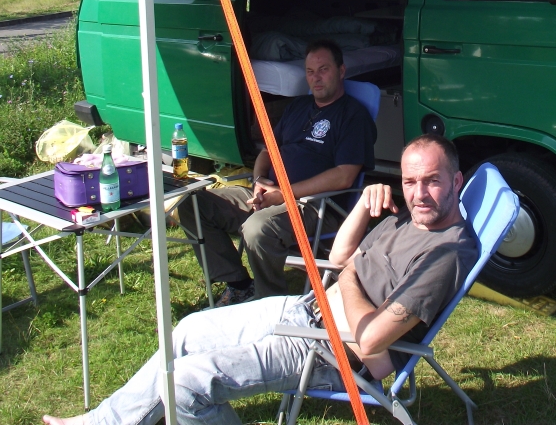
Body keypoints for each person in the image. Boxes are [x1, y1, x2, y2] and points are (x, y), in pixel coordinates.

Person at [42, 134, 478, 425]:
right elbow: (340, 257)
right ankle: (102, 422)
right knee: (187, 331)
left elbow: (370, 339)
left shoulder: (445, 254)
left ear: (457, 180)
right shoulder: (407, 219)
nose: (419, 193)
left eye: (432, 181)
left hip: (330, 353)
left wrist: (347, 280)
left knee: (186, 384)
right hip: (306, 311)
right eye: (409, 181)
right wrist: (364, 205)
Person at [178, 38, 377, 304]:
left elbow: (345, 175)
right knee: (193, 204)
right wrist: (259, 181)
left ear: (341, 71)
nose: (316, 78)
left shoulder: (353, 115)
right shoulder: (297, 107)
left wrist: (283, 194)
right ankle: (238, 284)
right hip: (271, 194)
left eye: (324, 69)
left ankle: (269, 303)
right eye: (310, 71)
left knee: (257, 229)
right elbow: (267, 151)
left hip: (315, 205)